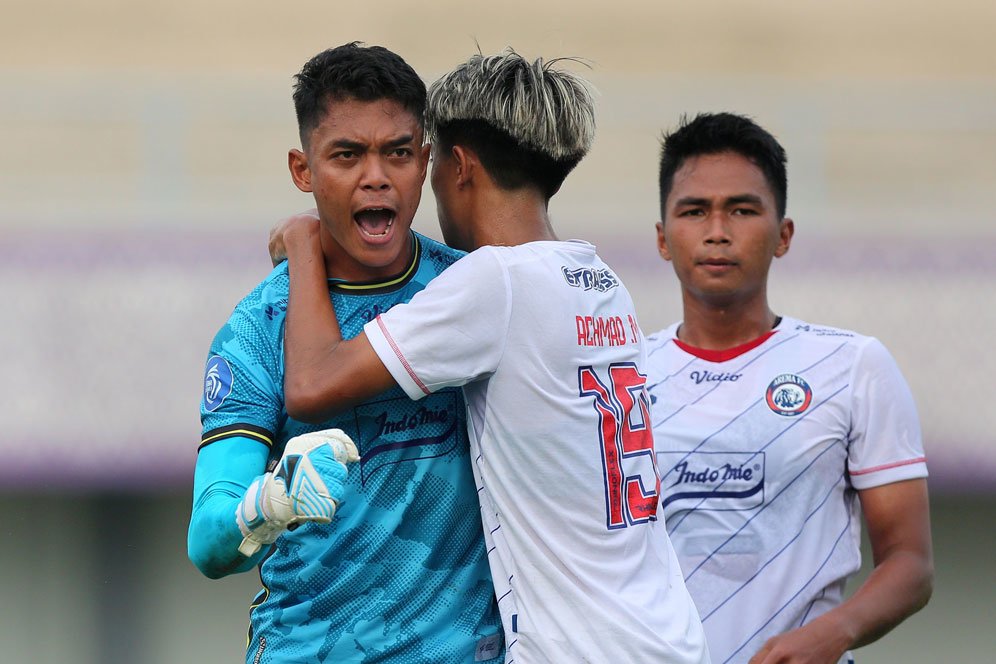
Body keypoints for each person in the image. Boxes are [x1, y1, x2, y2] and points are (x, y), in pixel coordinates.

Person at [272, 51, 710, 663]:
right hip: (667, 633)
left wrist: (300, 242)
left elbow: (313, 383)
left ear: (458, 167)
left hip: (586, 651)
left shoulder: (493, 283)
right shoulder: (599, 279)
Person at [187, 43, 503, 663]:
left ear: (426, 161)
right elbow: (207, 539)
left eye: (398, 152)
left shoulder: (476, 293)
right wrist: (272, 500)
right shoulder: (258, 328)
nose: (376, 176)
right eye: (347, 155)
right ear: (303, 172)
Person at [646, 112, 933, 664]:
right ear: (663, 238)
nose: (717, 231)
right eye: (694, 211)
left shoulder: (852, 366)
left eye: (742, 209)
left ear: (783, 235)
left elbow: (911, 563)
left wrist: (836, 630)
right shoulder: (622, 378)